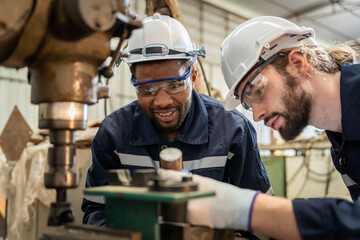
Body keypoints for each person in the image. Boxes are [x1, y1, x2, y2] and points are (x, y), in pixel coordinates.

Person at [159, 16, 360, 240]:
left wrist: (243, 207)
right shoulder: (341, 141)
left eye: (257, 90)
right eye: (248, 102)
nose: (256, 115)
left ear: (297, 64)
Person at [81, 13, 272, 227]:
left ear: (192, 76)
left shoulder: (233, 130)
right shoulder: (113, 134)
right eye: (147, 89)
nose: (162, 102)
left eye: (174, 85)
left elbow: (260, 215)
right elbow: (97, 210)